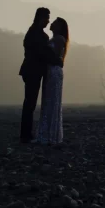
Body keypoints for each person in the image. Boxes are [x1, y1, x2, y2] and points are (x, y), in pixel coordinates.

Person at [18, 7, 63, 143]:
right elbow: (43, 53)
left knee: (29, 103)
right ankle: (25, 135)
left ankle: (26, 133)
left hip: (32, 71)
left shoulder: (34, 33)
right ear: (41, 18)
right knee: (30, 103)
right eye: (47, 18)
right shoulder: (37, 35)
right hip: (33, 71)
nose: (48, 21)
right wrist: (57, 61)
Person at [35, 17, 69, 145]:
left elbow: (54, 56)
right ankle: (47, 133)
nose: (51, 23)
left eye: (55, 23)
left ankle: (49, 135)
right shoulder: (53, 39)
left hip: (54, 71)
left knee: (52, 101)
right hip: (50, 71)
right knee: (48, 100)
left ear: (59, 27)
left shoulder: (59, 39)